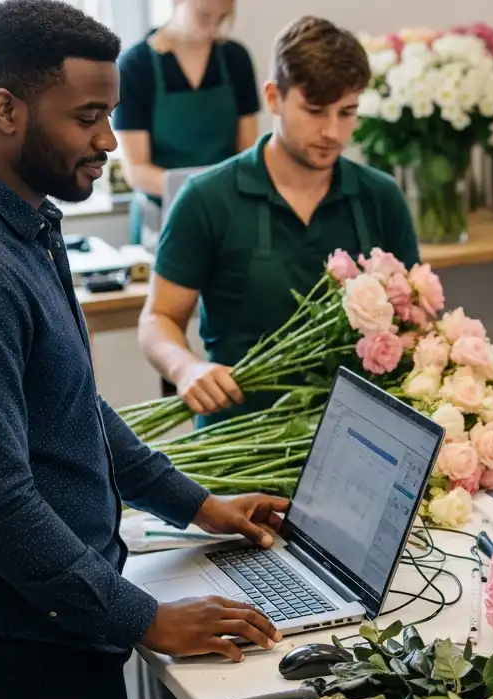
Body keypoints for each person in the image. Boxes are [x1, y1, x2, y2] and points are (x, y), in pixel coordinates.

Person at [0, 3, 289, 699]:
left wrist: (197, 505)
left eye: (111, 115)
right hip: (22, 627)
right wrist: (143, 619)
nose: (108, 140)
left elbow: (71, 405)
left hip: (56, 602)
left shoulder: (21, 221)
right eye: (88, 116)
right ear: (5, 110)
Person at [139, 15, 421, 428]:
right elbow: (157, 319)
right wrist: (185, 369)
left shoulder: (380, 197)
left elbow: (416, 319)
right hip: (241, 447)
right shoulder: (206, 199)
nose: (332, 131)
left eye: (347, 112)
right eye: (314, 110)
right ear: (273, 98)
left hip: (359, 439)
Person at [113, 0, 261, 245]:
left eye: (222, 18)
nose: (213, 28)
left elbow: (247, 152)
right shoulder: (136, 66)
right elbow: (136, 170)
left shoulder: (235, 59)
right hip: (162, 216)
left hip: (228, 215)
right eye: (204, 16)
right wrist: (199, 192)